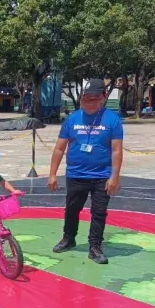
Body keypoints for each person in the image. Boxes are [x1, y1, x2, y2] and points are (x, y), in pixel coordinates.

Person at [48, 78, 124, 264]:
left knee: (99, 212)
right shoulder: (72, 119)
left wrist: (114, 177)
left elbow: (117, 150)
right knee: (72, 209)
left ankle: (95, 246)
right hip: (76, 174)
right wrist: (52, 174)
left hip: (102, 176)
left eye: (94, 99)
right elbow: (59, 148)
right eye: (86, 99)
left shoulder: (112, 120)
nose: (90, 103)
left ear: (104, 98)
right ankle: (68, 238)